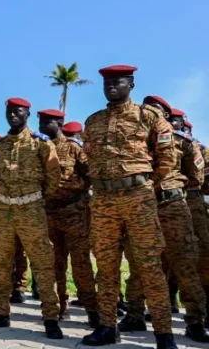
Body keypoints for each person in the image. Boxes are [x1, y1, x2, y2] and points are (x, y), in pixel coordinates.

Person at [80, 66, 177, 349]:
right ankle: (107, 326)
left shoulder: (149, 117)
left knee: (149, 265)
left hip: (139, 198)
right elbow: (88, 159)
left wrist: (144, 185)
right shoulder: (94, 120)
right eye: (107, 82)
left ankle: (163, 333)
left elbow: (167, 159)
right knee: (106, 266)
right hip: (103, 201)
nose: (111, 86)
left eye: (117, 82)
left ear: (130, 84)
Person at [120, 100, 208, 343]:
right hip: (142, 206)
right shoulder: (131, 140)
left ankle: (195, 321)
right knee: (139, 264)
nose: (146, 113)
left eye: (154, 110)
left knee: (184, 264)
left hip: (172, 207)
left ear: (166, 116)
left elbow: (195, 179)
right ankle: (135, 313)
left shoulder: (184, 143)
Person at [0, 97, 63, 340]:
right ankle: (0, 312)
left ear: (28, 114)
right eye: (9, 111)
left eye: (18, 112)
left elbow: (54, 176)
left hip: (32, 209)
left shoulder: (41, 144)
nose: (13, 115)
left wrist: (36, 198)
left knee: (42, 263)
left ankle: (50, 317)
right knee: (1, 260)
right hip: (5, 210)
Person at [37, 109, 99, 327]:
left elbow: (90, 174)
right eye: (41, 121)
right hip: (48, 213)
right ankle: (59, 307)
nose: (42, 125)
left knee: (81, 263)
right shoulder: (39, 148)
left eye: (48, 121)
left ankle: (93, 310)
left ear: (60, 123)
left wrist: (79, 196)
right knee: (54, 264)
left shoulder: (73, 148)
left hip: (74, 212)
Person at [174, 113, 209, 326]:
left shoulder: (200, 149)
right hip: (166, 204)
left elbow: (201, 178)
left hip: (193, 205)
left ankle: (201, 312)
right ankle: (167, 303)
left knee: (200, 257)